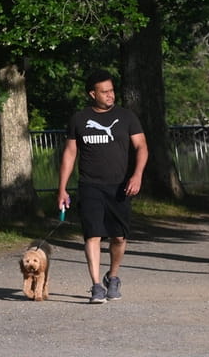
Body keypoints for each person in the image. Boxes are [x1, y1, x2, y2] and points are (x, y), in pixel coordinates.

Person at [57, 70, 148, 304]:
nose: (110, 95)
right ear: (92, 93)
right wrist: (62, 188)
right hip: (90, 186)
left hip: (120, 186)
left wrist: (137, 175)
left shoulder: (127, 117)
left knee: (118, 237)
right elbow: (69, 153)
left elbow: (141, 147)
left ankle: (113, 277)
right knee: (93, 234)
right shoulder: (79, 119)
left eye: (112, 90)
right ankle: (96, 285)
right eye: (104, 92)